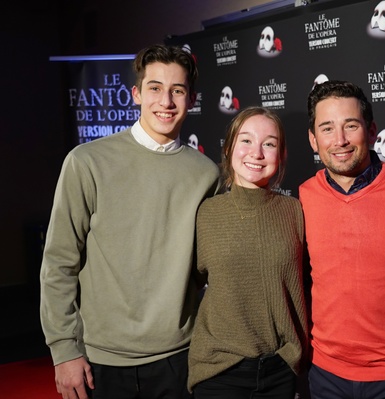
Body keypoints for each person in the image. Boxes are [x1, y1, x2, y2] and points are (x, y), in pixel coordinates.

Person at [39, 44, 221, 399]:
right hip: (100, 362)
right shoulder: (87, 162)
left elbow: (205, 267)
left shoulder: (206, 173)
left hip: (179, 358)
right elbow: (59, 262)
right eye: (155, 88)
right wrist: (64, 351)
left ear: (192, 99)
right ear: (137, 94)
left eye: (177, 91)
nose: (165, 101)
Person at [299, 80, 385, 398]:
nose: (339, 140)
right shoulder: (303, 197)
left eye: (350, 126)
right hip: (325, 374)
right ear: (313, 140)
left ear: (371, 132)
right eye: (327, 129)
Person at [188, 106, 309, 398]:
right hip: (218, 371)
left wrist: (292, 360)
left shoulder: (294, 211)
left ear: (280, 155)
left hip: (280, 371)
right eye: (246, 140)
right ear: (229, 148)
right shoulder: (205, 213)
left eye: (269, 144)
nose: (257, 152)